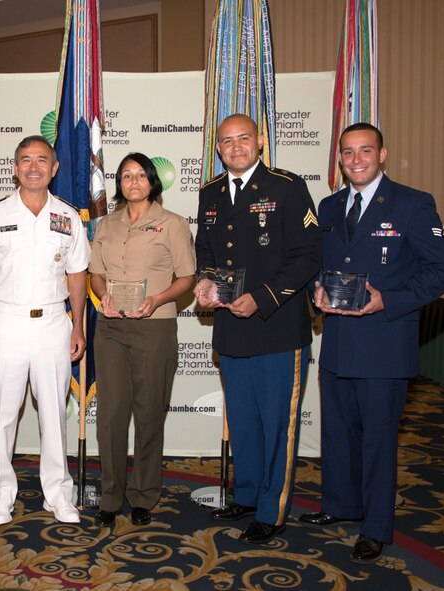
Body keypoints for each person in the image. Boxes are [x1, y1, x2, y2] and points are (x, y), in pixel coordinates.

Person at [299, 123, 444, 562]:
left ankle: (376, 526)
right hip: (337, 344)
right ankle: (339, 505)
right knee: (338, 435)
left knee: (377, 442)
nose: (356, 160)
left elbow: (443, 270)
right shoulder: (329, 207)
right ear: (340, 158)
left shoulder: (412, 204)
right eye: (348, 152)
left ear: (382, 154)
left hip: (385, 345)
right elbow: (320, 264)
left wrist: (388, 300)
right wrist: (316, 289)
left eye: (365, 150)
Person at [194, 114, 322, 544]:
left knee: (277, 425)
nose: (235, 147)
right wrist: (206, 282)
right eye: (226, 141)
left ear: (261, 141)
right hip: (231, 329)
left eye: (243, 138)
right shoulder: (210, 192)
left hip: (277, 328)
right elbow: (206, 251)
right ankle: (247, 496)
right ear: (218, 147)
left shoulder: (287, 187)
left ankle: (273, 509)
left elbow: (308, 256)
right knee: (244, 422)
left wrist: (263, 297)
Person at [0, 135, 90, 527]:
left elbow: (78, 274)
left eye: (42, 160)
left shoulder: (68, 217)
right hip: (5, 324)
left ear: (54, 169)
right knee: (2, 416)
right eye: (25, 160)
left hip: (54, 323)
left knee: (54, 414)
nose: (33, 167)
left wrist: (78, 327)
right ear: (14, 167)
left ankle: (59, 495)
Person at [88, 153, 196, 527]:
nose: (133, 182)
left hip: (154, 326)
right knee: (111, 416)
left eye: (140, 175)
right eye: (125, 176)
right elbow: (95, 273)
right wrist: (104, 297)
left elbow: (187, 279)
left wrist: (157, 299)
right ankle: (110, 496)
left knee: (149, 414)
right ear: (118, 183)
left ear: (152, 181)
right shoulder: (106, 225)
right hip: (111, 327)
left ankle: (143, 496)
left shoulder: (173, 224)